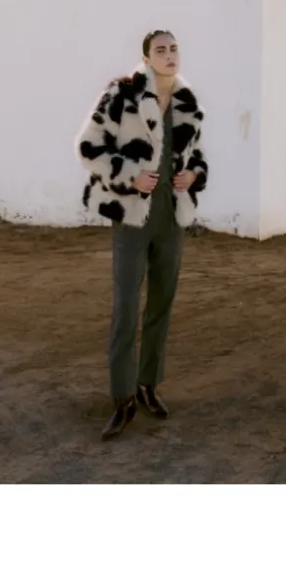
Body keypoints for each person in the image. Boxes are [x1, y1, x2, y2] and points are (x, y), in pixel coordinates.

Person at [75, 30, 209, 441]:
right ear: (147, 58)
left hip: (171, 215)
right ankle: (122, 398)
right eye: (160, 50)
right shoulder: (122, 94)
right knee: (127, 306)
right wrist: (131, 175)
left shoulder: (187, 101)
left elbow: (198, 156)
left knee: (161, 304)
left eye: (174, 48)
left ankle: (148, 385)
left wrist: (193, 175)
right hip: (133, 216)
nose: (169, 55)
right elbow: (88, 147)